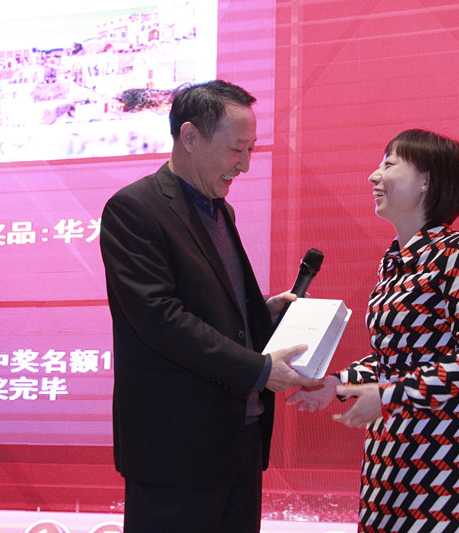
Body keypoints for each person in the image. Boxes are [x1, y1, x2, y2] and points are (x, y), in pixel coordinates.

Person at [99, 79, 319, 533]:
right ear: (190, 136)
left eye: (251, 150)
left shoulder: (222, 211)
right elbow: (159, 318)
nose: (245, 164)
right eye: (236, 149)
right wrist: (259, 369)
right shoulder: (134, 209)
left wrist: (262, 313)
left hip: (239, 438)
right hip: (175, 451)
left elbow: (211, 306)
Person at [287, 129, 459, 532]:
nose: (374, 176)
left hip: (441, 457)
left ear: (426, 181)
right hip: (387, 452)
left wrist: (388, 396)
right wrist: (337, 384)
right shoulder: (393, 260)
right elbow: (395, 359)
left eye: (389, 164)